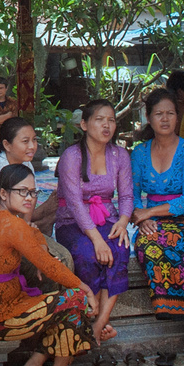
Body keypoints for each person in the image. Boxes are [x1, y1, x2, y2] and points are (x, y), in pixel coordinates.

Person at [0, 163, 94, 366]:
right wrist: (86, 289)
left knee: (66, 301)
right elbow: (50, 267)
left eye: (33, 192)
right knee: (75, 298)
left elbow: (34, 233)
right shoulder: (11, 224)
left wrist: (43, 246)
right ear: (4, 193)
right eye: (22, 191)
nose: (30, 198)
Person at [130, 88, 184, 361]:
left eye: (170, 113)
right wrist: (138, 214)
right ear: (148, 118)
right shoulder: (139, 152)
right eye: (159, 114)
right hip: (152, 218)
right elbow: (131, 193)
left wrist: (149, 212)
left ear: (178, 117)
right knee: (151, 247)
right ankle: (169, 308)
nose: (165, 119)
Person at [54, 99, 131, 346]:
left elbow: (127, 195)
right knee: (89, 255)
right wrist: (97, 240)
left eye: (111, 120)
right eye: (99, 120)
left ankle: (97, 324)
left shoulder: (119, 155)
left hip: (107, 218)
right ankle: (88, 315)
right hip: (72, 223)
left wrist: (123, 221)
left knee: (120, 249)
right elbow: (75, 203)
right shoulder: (72, 156)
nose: (106, 125)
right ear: (84, 124)